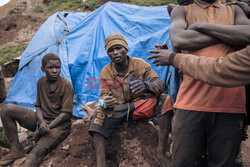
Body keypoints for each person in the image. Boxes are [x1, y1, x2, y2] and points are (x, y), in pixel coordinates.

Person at [149, 0, 250, 166]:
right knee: (184, 162)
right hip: (191, 102)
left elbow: (248, 34)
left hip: (230, 103)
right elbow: (179, 40)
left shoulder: (235, 9)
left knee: (223, 163)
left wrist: (200, 27)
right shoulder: (182, 10)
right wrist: (230, 36)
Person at [88, 34, 174, 167]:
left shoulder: (139, 64)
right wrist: (105, 101)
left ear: (126, 49)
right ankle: (101, 163)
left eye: (118, 48)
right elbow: (102, 98)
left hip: (139, 108)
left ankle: (160, 152)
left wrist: (146, 84)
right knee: (98, 115)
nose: (115, 53)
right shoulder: (106, 71)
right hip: (119, 111)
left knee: (165, 99)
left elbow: (160, 84)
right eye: (111, 50)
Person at [0, 53, 74, 167]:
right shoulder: (41, 82)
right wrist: (42, 122)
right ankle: (16, 149)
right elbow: (38, 106)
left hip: (59, 126)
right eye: (50, 67)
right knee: (6, 109)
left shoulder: (66, 85)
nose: (54, 71)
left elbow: (66, 114)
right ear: (43, 69)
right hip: (42, 121)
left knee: (34, 156)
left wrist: (42, 130)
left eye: (57, 67)